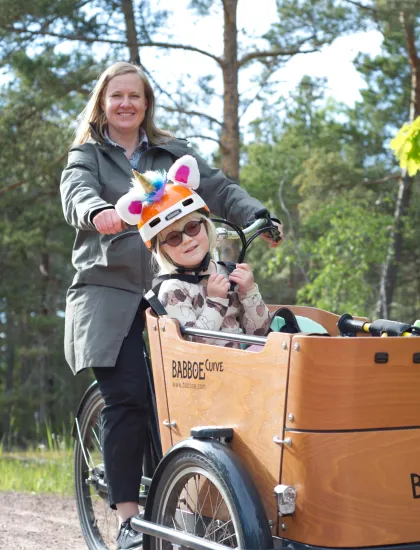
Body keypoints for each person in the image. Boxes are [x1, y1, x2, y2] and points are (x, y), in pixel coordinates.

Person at [60, 61, 282, 550]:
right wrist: (99, 213)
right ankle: (128, 522)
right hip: (109, 294)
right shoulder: (88, 157)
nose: (125, 104)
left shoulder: (172, 152)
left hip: (181, 289)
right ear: (102, 102)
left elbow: (218, 188)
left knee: (194, 396)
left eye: (134, 96)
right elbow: (75, 195)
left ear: (146, 104)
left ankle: (194, 501)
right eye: (116, 95)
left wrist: (259, 216)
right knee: (131, 399)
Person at [115, 155, 271, 347]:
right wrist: (216, 300)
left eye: (192, 228)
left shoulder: (227, 273)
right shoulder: (173, 290)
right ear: (161, 250)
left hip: (243, 367)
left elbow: (260, 333)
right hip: (205, 373)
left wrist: (249, 292)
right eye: (173, 238)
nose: (187, 239)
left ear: (206, 226)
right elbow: (193, 346)